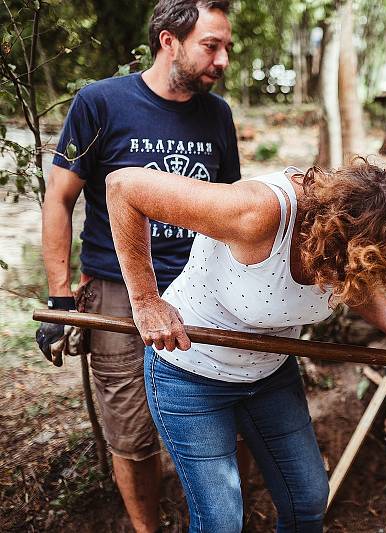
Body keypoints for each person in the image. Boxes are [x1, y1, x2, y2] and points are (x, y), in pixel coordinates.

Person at [105, 159, 386, 532]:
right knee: (221, 521)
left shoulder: (344, 253)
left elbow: (354, 282)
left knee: (307, 498)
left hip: (270, 374)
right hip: (191, 372)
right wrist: (145, 300)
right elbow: (124, 187)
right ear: (341, 240)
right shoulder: (258, 212)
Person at [36, 1, 240, 531]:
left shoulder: (218, 116)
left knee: (216, 416)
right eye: (210, 46)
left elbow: (229, 207)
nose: (221, 61)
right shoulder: (101, 103)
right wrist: (60, 299)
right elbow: (59, 199)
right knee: (130, 430)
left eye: (226, 48)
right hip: (118, 294)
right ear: (168, 41)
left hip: (201, 291)